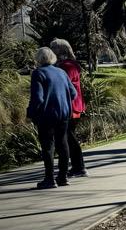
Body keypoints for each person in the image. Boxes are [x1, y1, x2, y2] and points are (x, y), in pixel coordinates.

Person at [27, 46, 76, 190]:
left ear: (38, 59)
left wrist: (30, 113)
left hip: (47, 115)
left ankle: (49, 179)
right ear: (52, 57)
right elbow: (73, 93)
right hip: (64, 114)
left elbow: (38, 98)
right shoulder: (61, 72)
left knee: (48, 146)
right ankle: (63, 177)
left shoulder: (38, 73)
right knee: (63, 143)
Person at [50, 38, 87, 177]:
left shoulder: (67, 66)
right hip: (72, 105)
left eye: (53, 48)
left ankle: (79, 166)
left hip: (71, 106)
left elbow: (65, 86)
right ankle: (77, 166)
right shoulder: (68, 65)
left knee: (68, 137)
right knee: (68, 136)